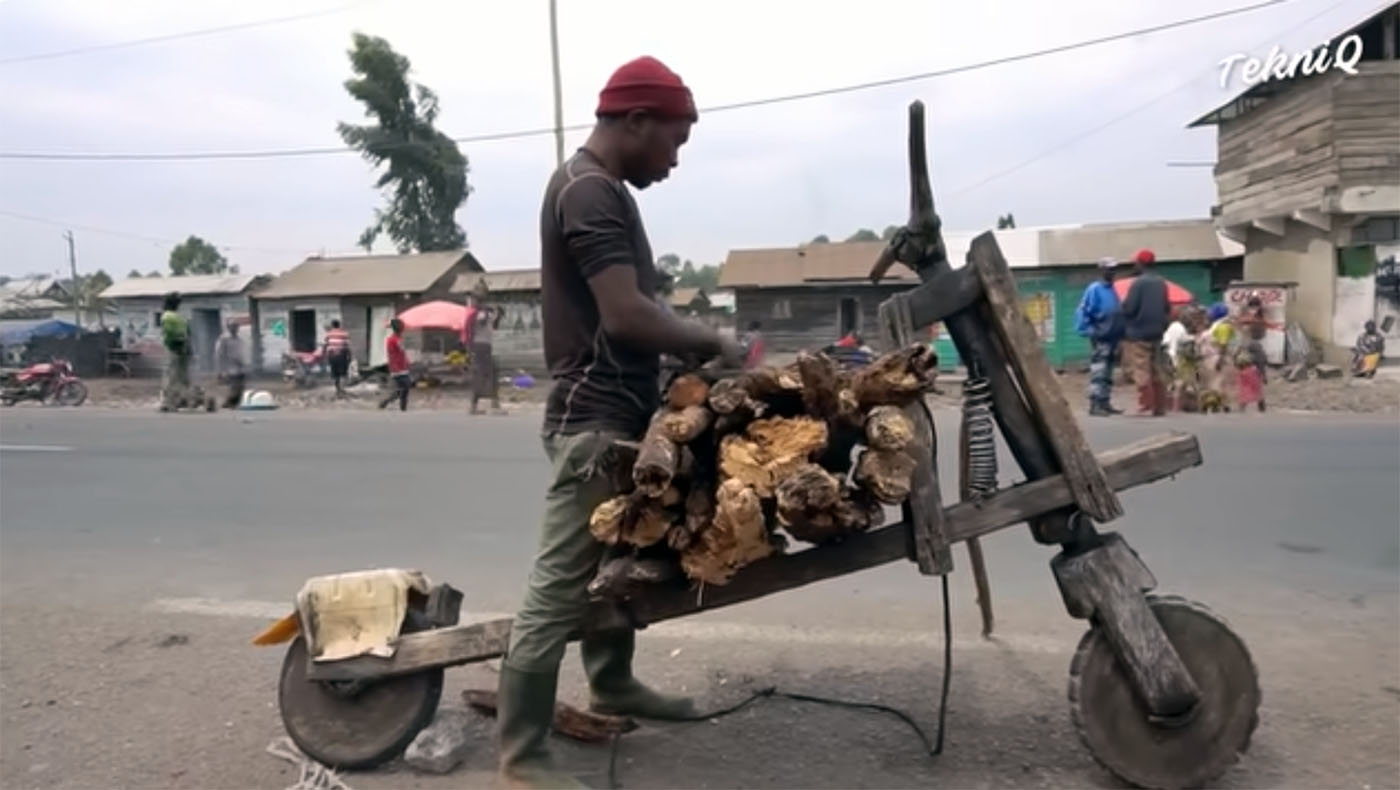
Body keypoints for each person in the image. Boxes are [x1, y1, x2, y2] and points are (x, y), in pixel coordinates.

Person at [496, 55, 744, 788]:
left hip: (621, 412)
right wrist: (709, 339)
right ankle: (522, 756)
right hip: (592, 421)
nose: (674, 159)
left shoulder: (604, 190)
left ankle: (612, 683)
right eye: (672, 141)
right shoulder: (588, 194)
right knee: (558, 588)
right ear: (634, 122)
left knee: (618, 561)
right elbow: (627, 315)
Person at [1120, 248, 1171, 416]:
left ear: (1141, 263)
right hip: (1157, 332)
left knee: (1141, 368)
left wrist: (1123, 310)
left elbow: (1130, 308)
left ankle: (1145, 405)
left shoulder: (1138, 283)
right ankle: (1159, 406)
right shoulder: (1161, 283)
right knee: (1157, 368)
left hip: (1139, 332)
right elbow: (1166, 307)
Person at [1074, 257, 1125, 416]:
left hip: (1113, 337)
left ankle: (1105, 402)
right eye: (1109, 269)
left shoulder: (1113, 289)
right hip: (1101, 336)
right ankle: (1095, 404)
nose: (1112, 272)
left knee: (1108, 372)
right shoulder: (1094, 289)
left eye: (1114, 269)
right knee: (1099, 372)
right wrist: (1090, 331)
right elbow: (1083, 312)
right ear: (1101, 271)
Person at [466, 289, 503, 414]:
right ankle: (476, 405)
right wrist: (488, 311)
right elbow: (481, 321)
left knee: (491, 373)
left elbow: (494, 325)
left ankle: (492, 403)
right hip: (480, 347)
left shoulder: (484, 313)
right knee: (482, 375)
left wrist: (498, 314)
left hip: (485, 346)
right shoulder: (480, 313)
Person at [1197, 303, 1236, 413]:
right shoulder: (1215, 326)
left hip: (1216, 358)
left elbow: (1223, 344)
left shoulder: (1223, 326)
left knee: (1218, 383)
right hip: (1209, 358)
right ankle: (1217, 403)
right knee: (1212, 383)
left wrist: (1220, 360)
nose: (1209, 314)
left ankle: (1218, 404)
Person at [158, 292, 191, 412]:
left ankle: (167, 403)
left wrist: (172, 345)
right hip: (183, 349)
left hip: (172, 349)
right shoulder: (181, 318)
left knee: (169, 376)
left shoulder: (166, 316)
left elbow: (168, 334)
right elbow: (187, 334)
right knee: (181, 376)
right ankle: (181, 400)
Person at [377, 318, 411, 411]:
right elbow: (392, 354)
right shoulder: (391, 340)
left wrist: (407, 361)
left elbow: (402, 352)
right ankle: (392, 403)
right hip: (397, 367)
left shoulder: (398, 339)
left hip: (403, 366)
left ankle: (390, 403)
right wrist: (394, 366)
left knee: (404, 388)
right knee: (405, 386)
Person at [214, 319, 246, 409]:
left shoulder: (239, 339)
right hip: (229, 366)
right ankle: (228, 403)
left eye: (236, 326)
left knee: (240, 386)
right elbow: (219, 354)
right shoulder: (223, 339)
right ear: (228, 327)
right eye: (233, 326)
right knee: (233, 386)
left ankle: (234, 403)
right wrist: (220, 370)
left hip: (240, 366)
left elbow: (242, 352)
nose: (235, 328)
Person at [322, 319, 352, 397]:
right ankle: (342, 390)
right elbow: (347, 346)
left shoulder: (328, 334)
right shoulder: (344, 333)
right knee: (342, 373)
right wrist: (350, 356)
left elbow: (325, 345)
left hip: (332, 355)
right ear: (339, 325)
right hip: (342, 355)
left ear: (332, 325)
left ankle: (337, 390)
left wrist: (324, 355)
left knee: (335, 373)